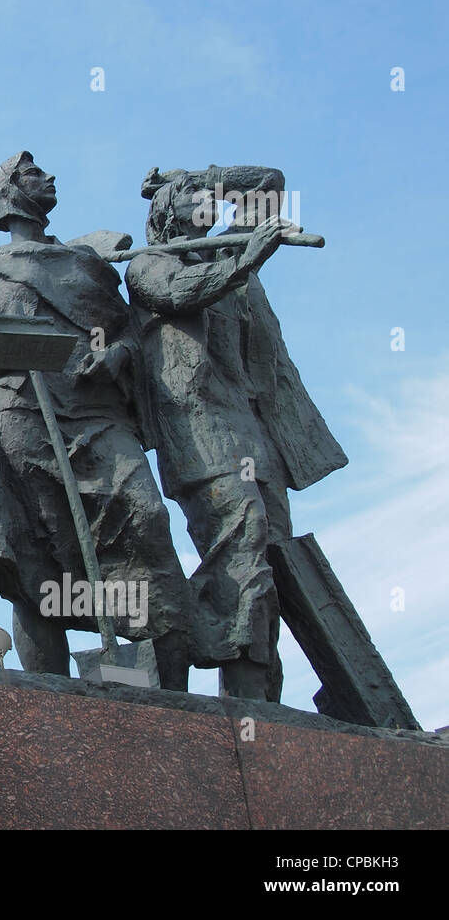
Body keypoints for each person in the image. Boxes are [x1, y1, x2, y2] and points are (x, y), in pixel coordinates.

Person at [0, 152, 191, 689]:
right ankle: (46, 694)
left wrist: (119, 354)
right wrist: (15, 348)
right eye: (34, 172)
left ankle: (176, 701)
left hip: (96, 411)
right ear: (9, 192)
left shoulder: (86, 263)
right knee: (36, 552)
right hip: (21, 414)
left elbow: (127, 329)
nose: (51, 177)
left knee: (145, 517)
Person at [124, 165, 347, 699]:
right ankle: (179, 653)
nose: (210, 200)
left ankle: (258, 693)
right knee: (239, 545)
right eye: (195, 197)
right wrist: (250, 257)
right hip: (200, 433)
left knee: (271, 555)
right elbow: (180, 294)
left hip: (255, 433)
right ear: (166, 211)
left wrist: (201, 175)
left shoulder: (229, 256)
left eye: (212, 197)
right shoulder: (150, 265)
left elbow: (268, 179)